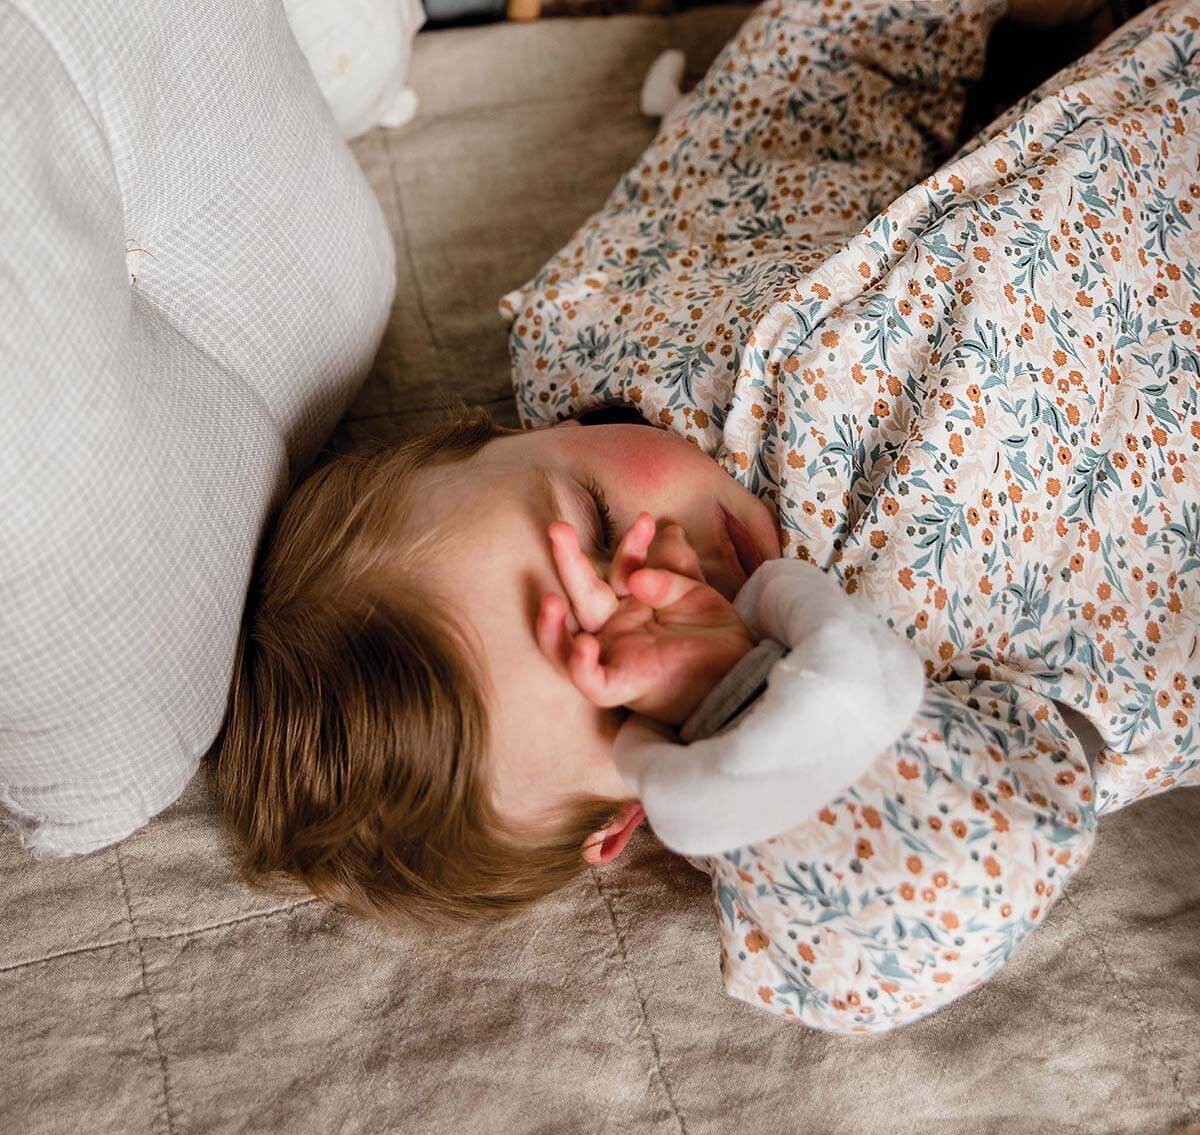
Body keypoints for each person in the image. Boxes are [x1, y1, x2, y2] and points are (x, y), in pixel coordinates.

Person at [213, 0, 1200, 1033]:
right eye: (632, 694)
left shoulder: (608, 332)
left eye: (600, 524)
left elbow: (800, 102)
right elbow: (954, 886)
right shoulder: (851, 793)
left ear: (500, 433)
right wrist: (733, 695)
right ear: (630, 819)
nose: (671, 578)